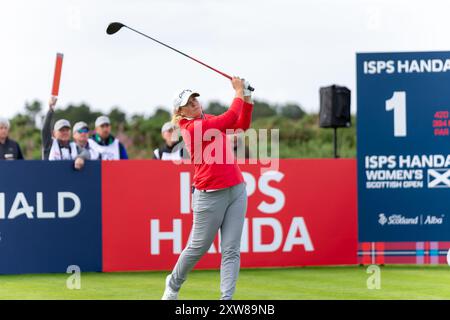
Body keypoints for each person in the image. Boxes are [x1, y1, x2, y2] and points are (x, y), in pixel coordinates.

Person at [162, 77, 254, 300]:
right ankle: (173, 284)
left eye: (195, 99)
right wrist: (238, 91)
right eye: (189, 102)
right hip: (209, 195)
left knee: (231, 250)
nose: (195, 103)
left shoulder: (208, 119)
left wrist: (248, 98)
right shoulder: (191, 128)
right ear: (181, 111)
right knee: (197, 248)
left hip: (236, 189)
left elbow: (240, 125)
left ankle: (226, 300)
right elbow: (230, 116)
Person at [42, 96, 88, 170]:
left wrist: (80, 157)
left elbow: (86, 153)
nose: (65, 132)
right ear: (54, 133)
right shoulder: (49, 144)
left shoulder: (74, 146)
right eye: (61, 130)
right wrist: (51, 109)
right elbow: (45, 130)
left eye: (67, 130)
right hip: (50, 178)